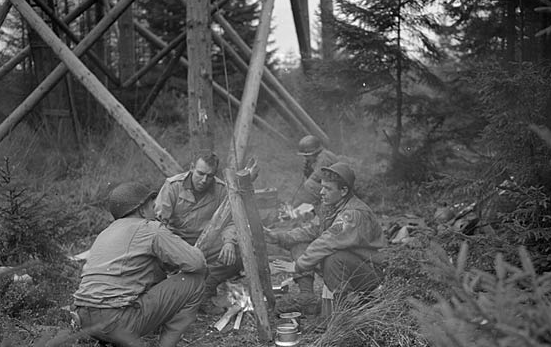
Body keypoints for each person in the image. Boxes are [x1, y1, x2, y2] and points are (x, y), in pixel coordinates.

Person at [73, 182, 207, 347]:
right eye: (152, 207)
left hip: (85, 320)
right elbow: (196, 263)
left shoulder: (105, 233)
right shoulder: (150, 228)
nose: (157, 212)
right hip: (117, 321)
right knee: (195, 281)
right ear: (142, 210)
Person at [266, 162, 386, 315]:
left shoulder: (353, 214)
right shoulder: (332, 207)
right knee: (299, 244)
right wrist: (277, 237)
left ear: (343, 191)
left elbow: (328, 241)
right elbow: (311, 230)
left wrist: (298, 265)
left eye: (328, 188)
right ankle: (307, 297)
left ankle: (339, 314)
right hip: (351, 267)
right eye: (322, 187)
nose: (321, 192)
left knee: (334, 257)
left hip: (370, 275)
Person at [154, 150, 240, 314]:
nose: (204, 180)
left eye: (210, 176)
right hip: (177, 243)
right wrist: (171, 249)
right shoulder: (173, 186)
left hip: (208, 244)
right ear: (192, 168)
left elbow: (230, 221)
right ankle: (169, 296)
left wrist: (229, 242)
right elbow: (158, 224)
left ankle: (205, 292)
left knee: (237, 253)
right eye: (200, 173)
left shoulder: (221, 189)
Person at [293, 135, 339, 206]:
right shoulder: (321, 156)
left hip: (339, 189)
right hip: (334, 186)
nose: (305, 158)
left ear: (314, 152)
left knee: (309, 184)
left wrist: (309, 170)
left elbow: (315, 178)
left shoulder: (324, 159)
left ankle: (331, 204)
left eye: (307, 156)